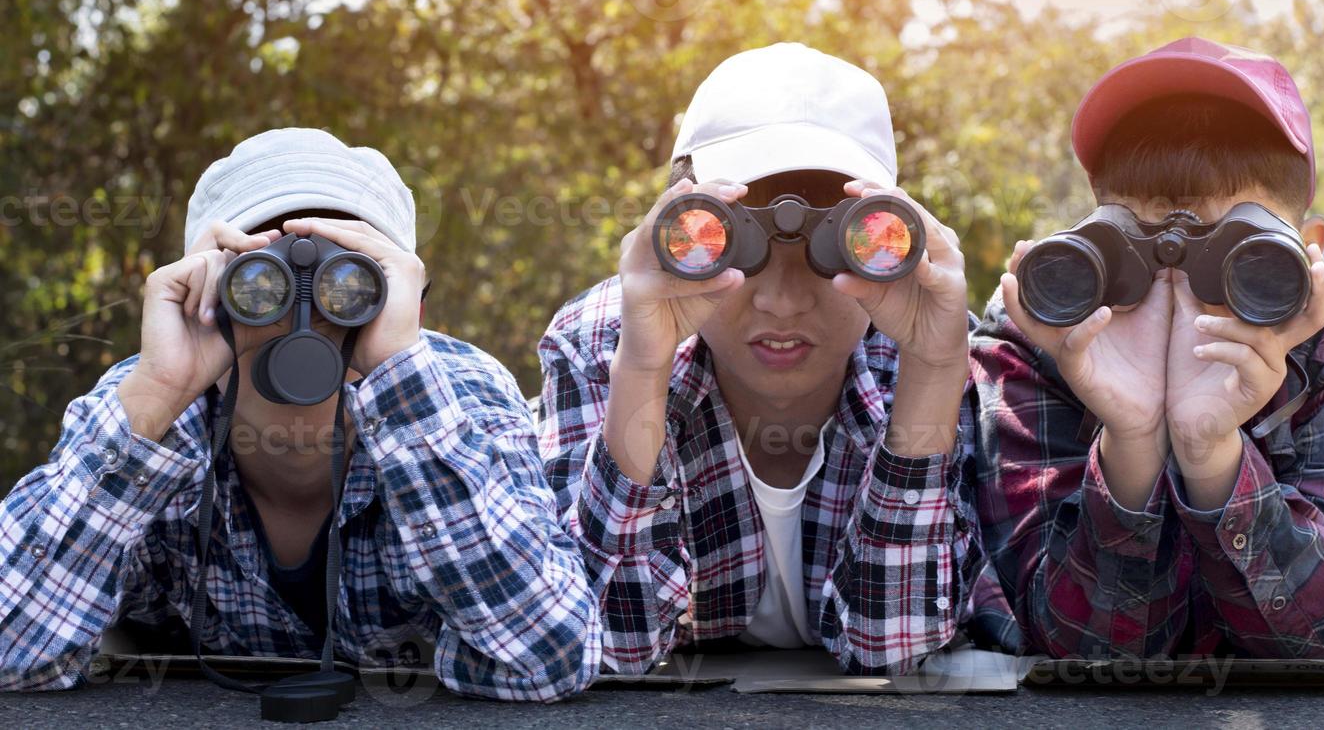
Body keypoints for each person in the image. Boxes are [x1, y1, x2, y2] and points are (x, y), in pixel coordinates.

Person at [0, 128, 600, 701]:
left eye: (350, 280)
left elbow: (550, 658)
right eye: (259, 281)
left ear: (403, 297)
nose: (301, 310)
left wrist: (399, 378)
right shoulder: (151, 401)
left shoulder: (461, 395)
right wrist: (157, 394)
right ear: (205, 287)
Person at [537, 42, 1005, 676]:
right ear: (676, 222)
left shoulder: (922, 345)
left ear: (883, 234)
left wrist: (935, 366)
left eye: (826, 250)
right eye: (733, 244)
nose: (782, 303)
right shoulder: (604, 343)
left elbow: (893, 646)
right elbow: (605, 645)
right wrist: (643, 368)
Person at [973, 37, 1324, 660]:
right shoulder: (1046, 326)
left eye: (1237, 253)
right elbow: (1071, 642)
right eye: (1137, 242)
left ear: (1310, 250)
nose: (1182, 283)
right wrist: (1133, 441)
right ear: (1091, 232)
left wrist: (1211, 450)